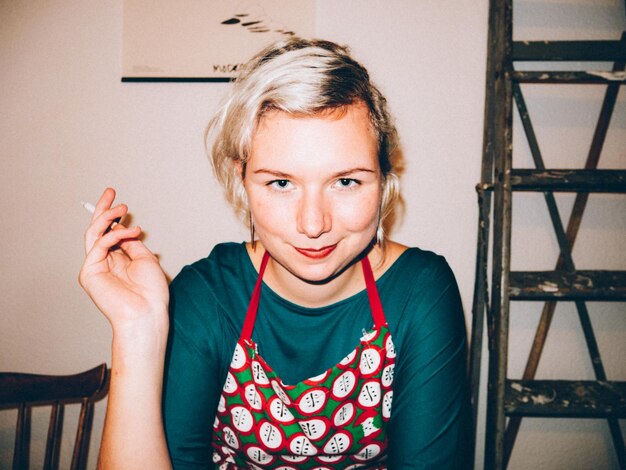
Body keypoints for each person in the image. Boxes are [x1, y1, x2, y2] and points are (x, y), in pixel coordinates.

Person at [79, 38, 470, 469]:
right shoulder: (205, 296)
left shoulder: (421, 292)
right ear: (241, 180)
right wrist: (136, 332)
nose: (313, 223)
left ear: (383, 178)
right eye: (281, 183)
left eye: (346, 182)